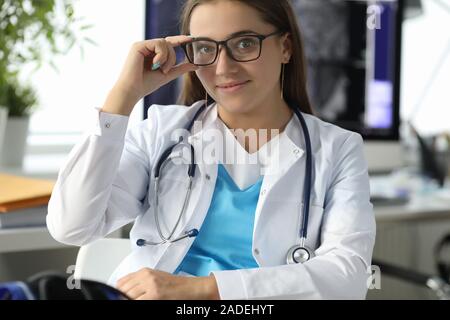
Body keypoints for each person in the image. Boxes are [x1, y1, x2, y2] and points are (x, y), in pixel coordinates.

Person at [47, 0, 376, 300]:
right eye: (206, 48)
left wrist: (202, 289)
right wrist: (124, 95)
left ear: (285, 47)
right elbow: (72, 227)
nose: (223, 68)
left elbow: (347, 278)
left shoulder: (338, 149)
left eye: (245, 43)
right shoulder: (161, 131)